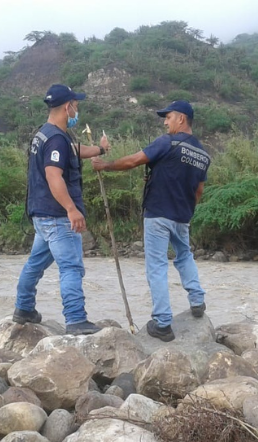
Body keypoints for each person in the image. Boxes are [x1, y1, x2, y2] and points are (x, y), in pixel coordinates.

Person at [92, 100, 209, 342]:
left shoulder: (167, 142)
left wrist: (106, 165)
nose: (165, 122)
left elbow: (134, 160)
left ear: (181, 119)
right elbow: (199, 190)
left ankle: (163, 323)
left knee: (156, 266)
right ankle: (197, 300)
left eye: (168, 117)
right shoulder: (202, 153)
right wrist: (188, 210)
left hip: (158, 213)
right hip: (182, 216)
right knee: (184, 255)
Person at [13, 84, 110, 335]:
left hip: (41, 214)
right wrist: (71, 209)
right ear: (67, 107)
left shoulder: (46, 134)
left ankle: (24, 309)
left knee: (35, 263)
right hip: (57, 216)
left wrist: (100, 150)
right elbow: (54, 176)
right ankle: (76, 320)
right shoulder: (56, 138)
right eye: (76, 105)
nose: (77, 110)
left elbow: (75, 151)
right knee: (71, 267)